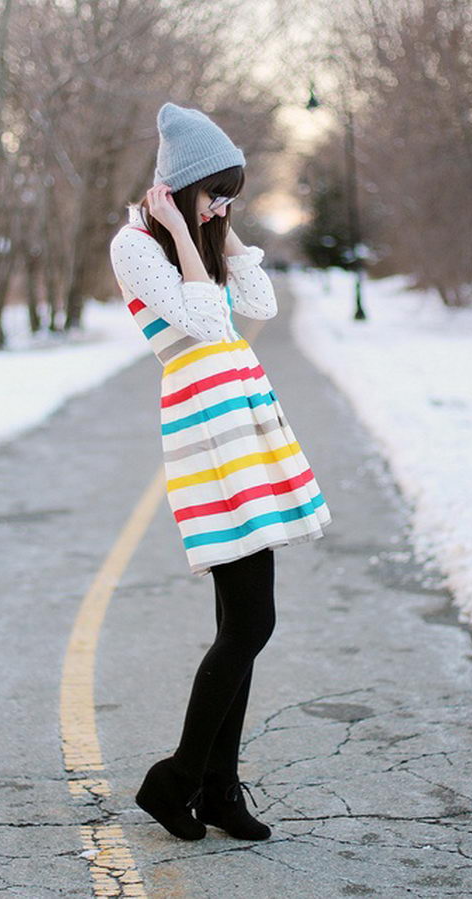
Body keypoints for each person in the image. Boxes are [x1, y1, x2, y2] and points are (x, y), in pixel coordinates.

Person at [109, 102, 332, 842]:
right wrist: (177, 228)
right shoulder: (136, 244)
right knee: (252, 620)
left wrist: (217, 228)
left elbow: (258, 305)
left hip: (242, 417)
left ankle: (215, 788)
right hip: (208, 424)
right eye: (215, 192)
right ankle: (176, 779)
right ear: (177, 188)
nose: (222, 205)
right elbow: (205, 325)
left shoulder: (206, 238)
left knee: (241, 619)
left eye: (231, 193)